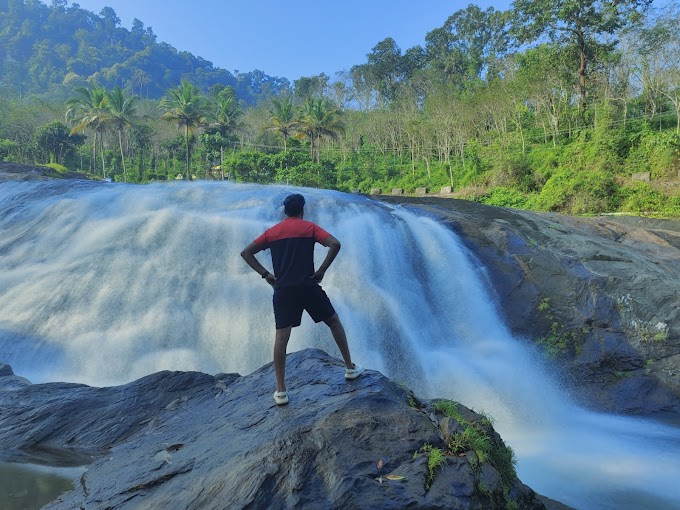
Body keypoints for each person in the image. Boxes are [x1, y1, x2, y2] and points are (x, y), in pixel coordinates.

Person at [240, 193, 364, 406]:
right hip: (308, 285)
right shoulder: (310, 228)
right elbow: (335, 244)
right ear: (302, 210)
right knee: (333, 322)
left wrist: (267, 275)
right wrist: (322, 270)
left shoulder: (272, 232)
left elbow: (246, 252)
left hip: (283, 289)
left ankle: (281, 391)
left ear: (284, 211)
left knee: (281, 338)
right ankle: (350, 368)